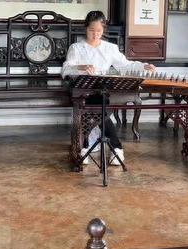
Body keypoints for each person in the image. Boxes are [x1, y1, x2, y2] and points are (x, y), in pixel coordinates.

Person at [62, 10, 156, 166]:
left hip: (101, 89)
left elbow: (126, 65)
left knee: (99, 101)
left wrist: (143, 66)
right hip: (81, 89)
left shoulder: (109, 48)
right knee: (99, 105)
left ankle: (85, 145)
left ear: (103, 29)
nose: (95, 34)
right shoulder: (76, 48)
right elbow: (65, 69)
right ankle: (116, 147)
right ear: (86, 28)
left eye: (99, 31)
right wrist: (80, 67)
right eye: (92, 30)